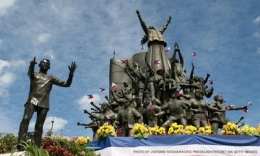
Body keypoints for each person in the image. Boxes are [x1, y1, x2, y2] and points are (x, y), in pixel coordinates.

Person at [17, 58, 77, 149]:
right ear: (39, 65)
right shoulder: (34, 74)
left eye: (47, 64)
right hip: (32, 100)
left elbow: (66, 84)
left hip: (44, 103)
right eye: (43, 63)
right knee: (25, 119)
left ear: (49, 67)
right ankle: (20, 142)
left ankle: (37, 146)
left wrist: (71, 74)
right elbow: (30, 72)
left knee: (39, 125)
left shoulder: (51, 78)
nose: (45, 65)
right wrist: (31, 65)